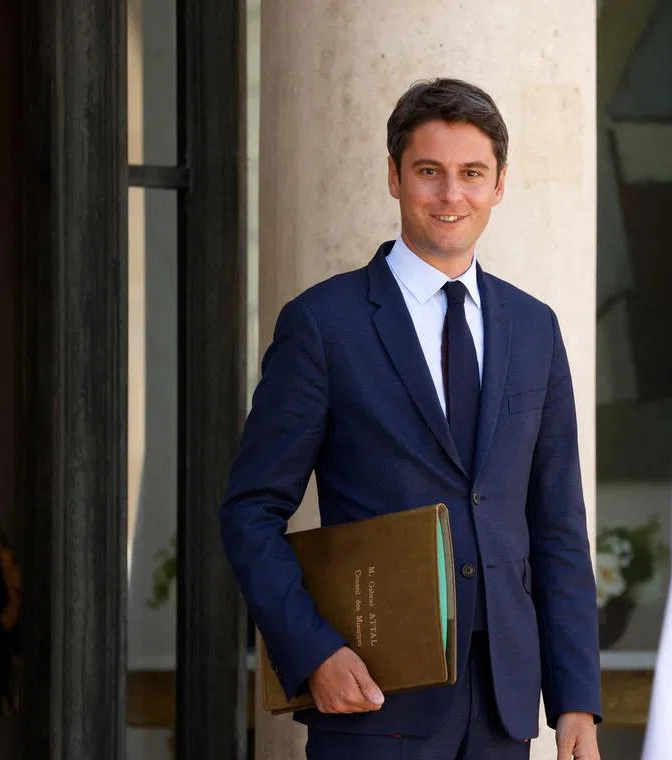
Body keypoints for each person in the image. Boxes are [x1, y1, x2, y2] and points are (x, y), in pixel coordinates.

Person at [220, 78, 602, 760]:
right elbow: (249, 510)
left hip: (501, 713)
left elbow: (558, 527)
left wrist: (575, 700)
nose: (451, 196)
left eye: (471, 174)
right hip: (371, 704)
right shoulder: (323, 326)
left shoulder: (534, 329)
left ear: (499, 185)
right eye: (429, 172)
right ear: (394, 177)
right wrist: (313, 652)